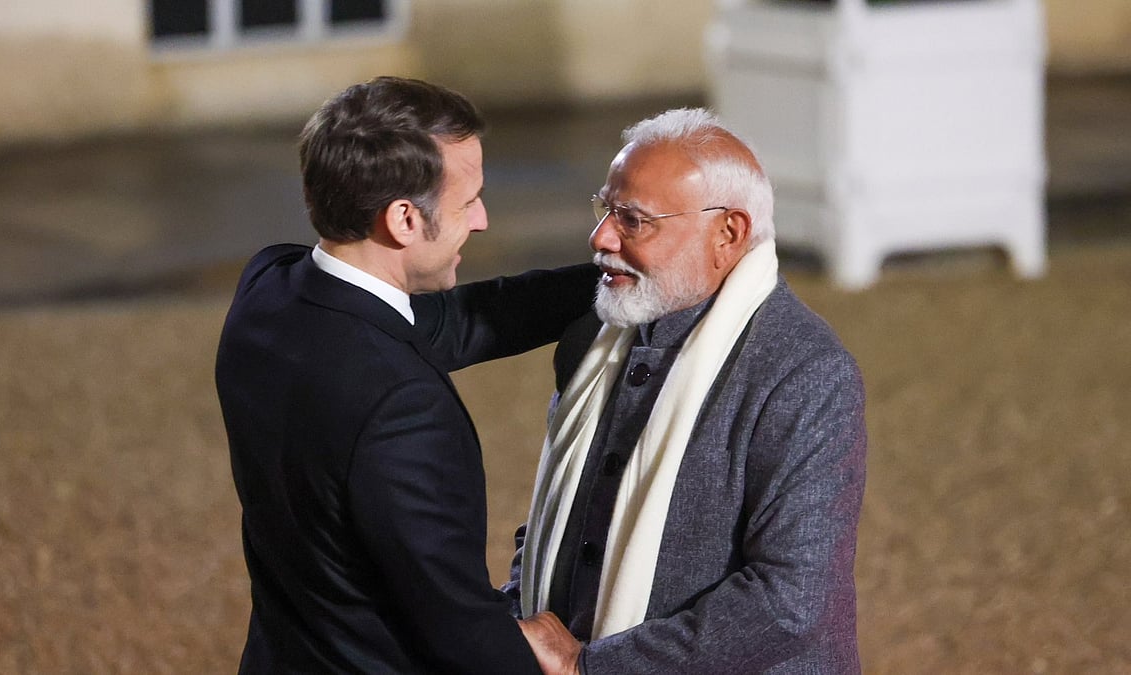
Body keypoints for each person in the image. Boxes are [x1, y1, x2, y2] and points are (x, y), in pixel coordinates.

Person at [214, 76, 597, 674]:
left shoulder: (269, 288)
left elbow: (465, 319)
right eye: (468, 202)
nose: (483, 219)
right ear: (403, 220)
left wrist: (617, 280)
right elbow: (455, 624)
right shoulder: (403, 406)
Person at [509, 108, 867, 674]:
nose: (600, 236)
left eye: (634, 220)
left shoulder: (804, 372)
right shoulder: (592, 339)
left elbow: (791, 602)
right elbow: (557, 517)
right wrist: (517, 617)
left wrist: (593, 668)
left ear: (728, 233)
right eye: (606, 208)